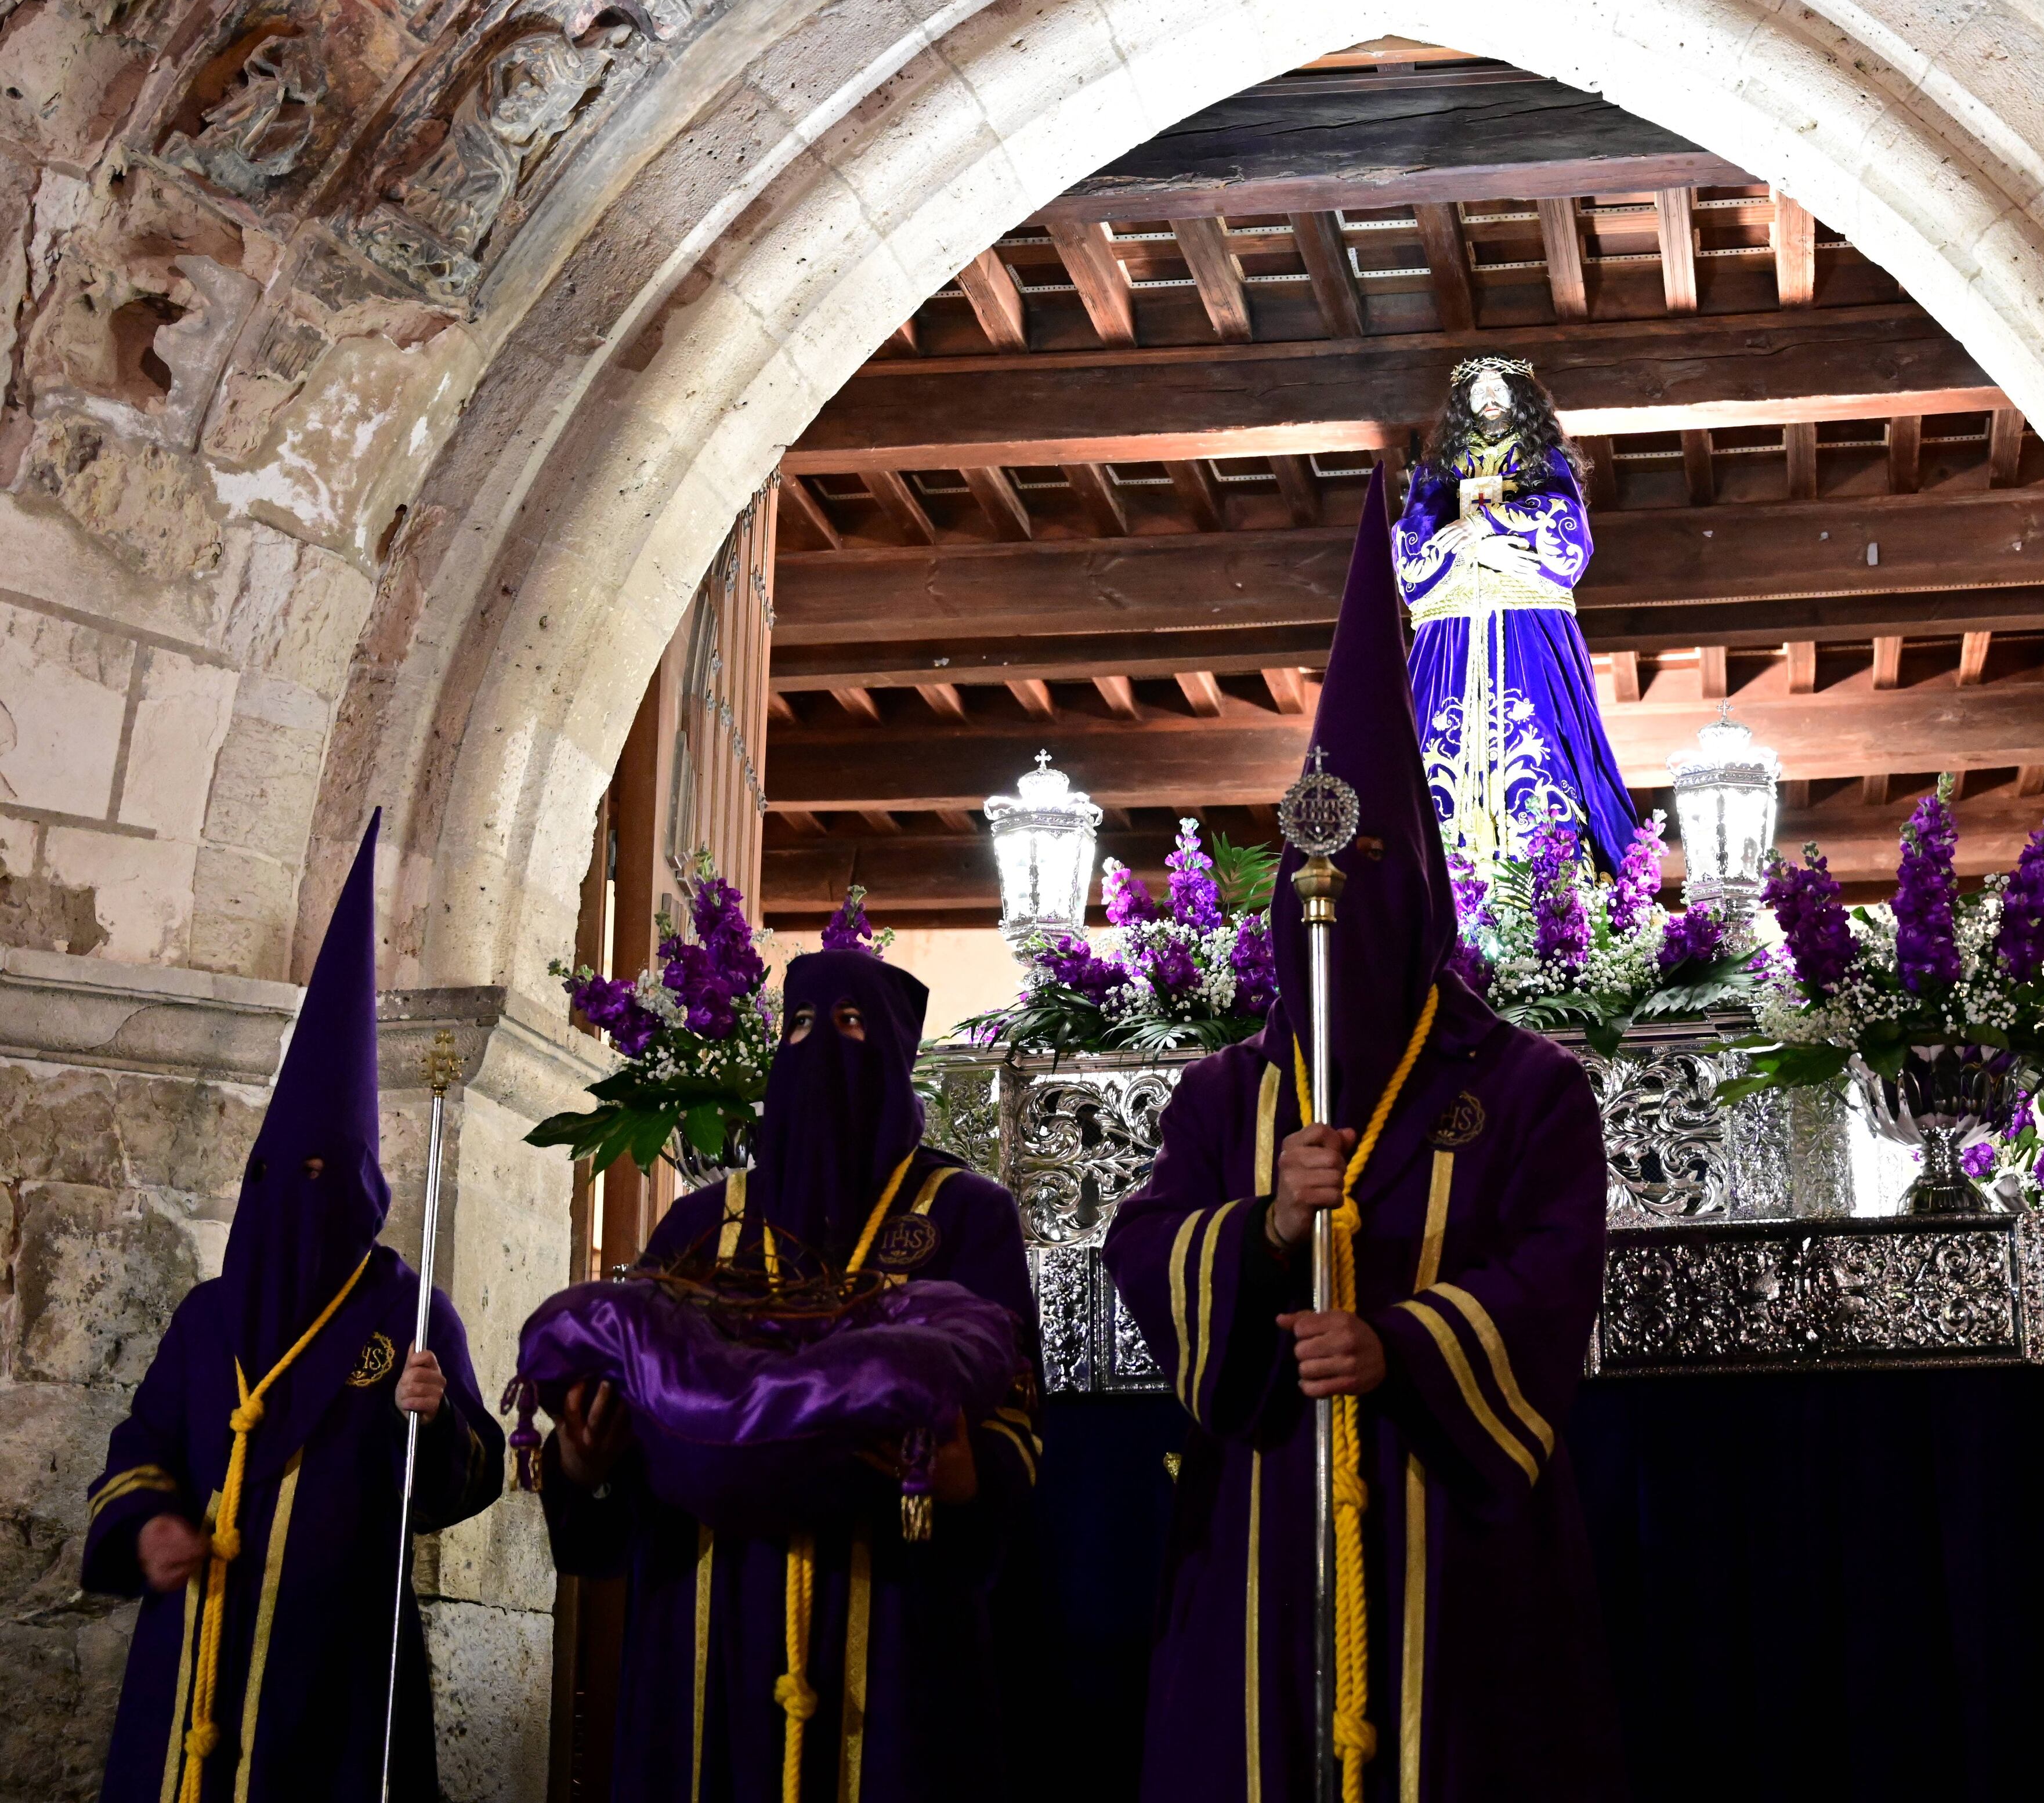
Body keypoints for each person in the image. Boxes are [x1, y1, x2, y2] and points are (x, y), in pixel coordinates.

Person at [1106, 472, 1627, 1802]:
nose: (1331, 926)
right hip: (1266, 1533)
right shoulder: (1229, 1096)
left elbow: (1555, 1277)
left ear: (1428, 907)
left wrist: (1392, 1341)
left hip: (1462, 1545)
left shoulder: (1525, 1090)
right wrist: (1268, 1230)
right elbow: (1149, 1239)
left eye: (1365, 895)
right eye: (1308, 899)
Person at [536, 944, 1043, 1801]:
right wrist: (584, 1466)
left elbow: (1017, 1412)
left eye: (848, 1025)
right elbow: (633, 1406)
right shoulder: (700, 1224)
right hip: (708, 1601)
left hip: (890, 1606)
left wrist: (966, 1477)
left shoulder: (963, 1214)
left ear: (888, 1049)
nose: (821, 1047)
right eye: (801, 1026)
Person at [82, 815, 505, 1803]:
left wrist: (434, 1416)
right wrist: (148, 1523)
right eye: (285, 1174)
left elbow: (463, 1480)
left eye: (328, 1174)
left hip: (335, 1677)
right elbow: (142, 1441)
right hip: (190, 1652)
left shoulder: (411, 1310)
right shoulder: (208, 1315)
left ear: (363, 1189)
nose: (305, 1193)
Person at [1394, 355, 1637, 871]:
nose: (1487, 395)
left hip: (1528, 625)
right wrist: (1470, 549)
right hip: (1452, 634)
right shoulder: (1436, 473)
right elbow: (1409, 552)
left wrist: (1487, 525)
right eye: (1477, 389)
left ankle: (1551, 879)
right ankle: (1445, 875)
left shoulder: (1542, 459)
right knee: (1435, 743)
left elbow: (1570, 531)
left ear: (1519, 397)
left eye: (1497, 386)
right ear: (1462, 405)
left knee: (1540, 736)